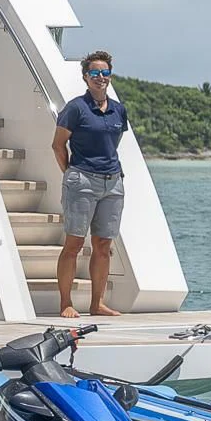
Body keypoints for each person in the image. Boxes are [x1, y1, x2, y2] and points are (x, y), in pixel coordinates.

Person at [51, 50, 127, 319]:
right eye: (95, 73)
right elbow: (58, 145)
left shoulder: (119, 110)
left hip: (113, 183)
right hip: (82, 180)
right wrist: (72, 174)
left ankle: (98, 304)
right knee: (73, 243)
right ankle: (65, 303)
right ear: (85, 77)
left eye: (105, 73)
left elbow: (112, 145)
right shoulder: (76, 108)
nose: (100, 78)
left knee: (104, 245)